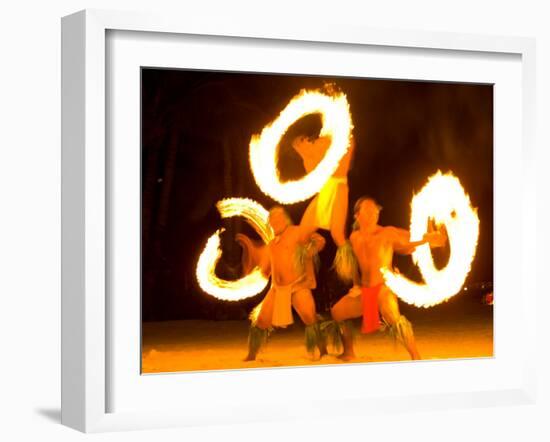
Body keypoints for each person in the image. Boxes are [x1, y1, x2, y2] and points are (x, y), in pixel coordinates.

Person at [329, 197, 446, 361]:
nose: (373, 213)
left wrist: (427, 239)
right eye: (367, 210)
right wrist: (356, 285)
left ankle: (415, 356)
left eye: (375, 210)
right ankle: (349, 352)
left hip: (383, 288)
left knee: (393, 318)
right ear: (357, 215)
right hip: (365, 291)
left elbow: (408, 242)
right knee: (337, 313)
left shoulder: (387, 233)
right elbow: (353, 263)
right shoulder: (354, 237)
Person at [235, 206, 327, 361]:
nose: (275, 220)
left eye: (278, 217)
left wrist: (309, 250)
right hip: (277, 289)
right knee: (261, 321)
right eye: (272, 218)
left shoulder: (297, 231)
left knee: (310, 318)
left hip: (299, 285)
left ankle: (323, 351)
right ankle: (252, 355)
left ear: (285, 219)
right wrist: (250, 258)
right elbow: (267, 269)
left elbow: (320, 240)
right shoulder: (271, 244)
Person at [291, 134, 354, 249]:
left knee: (337, 235)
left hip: (338, 186)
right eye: (297, 149)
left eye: (300, 145)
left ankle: (351, 264)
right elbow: (316, 183)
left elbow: (348, 141)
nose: (299, 150)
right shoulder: (306, 162)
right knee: (302, 234)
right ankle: (306, 260)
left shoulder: (323, 142)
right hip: (324, 192)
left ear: (306, 140)